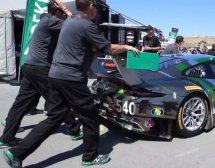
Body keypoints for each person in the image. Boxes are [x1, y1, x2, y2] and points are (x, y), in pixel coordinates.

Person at [3, 0, 140, 167]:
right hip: (72, 78)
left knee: (54, 118)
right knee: (90, 117)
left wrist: (65, 8)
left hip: (55, 75)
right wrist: (127, 46)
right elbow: (109, 48)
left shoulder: (70, 21)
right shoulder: (87, 26)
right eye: (95, 6)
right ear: (90, 6)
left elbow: (75, 22)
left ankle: (16, 153)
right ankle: (90, 157)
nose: (97, 10)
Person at [0, 0, 83, 150]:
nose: (65, 16)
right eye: (63, 13)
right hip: (40, 68)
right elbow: (77, 24)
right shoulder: (51, 21)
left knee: (21, 103)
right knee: (58, 100)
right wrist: (67, 10)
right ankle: (75, 129)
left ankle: (6, 138)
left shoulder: (45, 20)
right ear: (58, 12)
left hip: (30, 66)